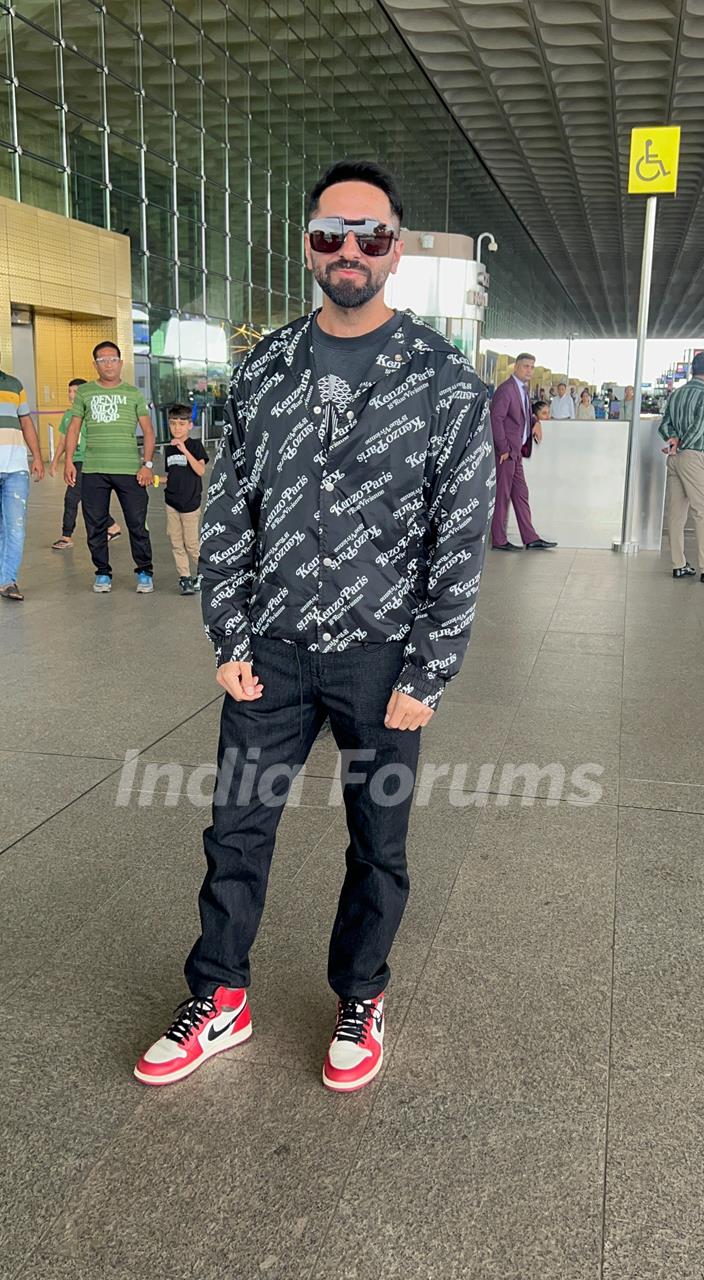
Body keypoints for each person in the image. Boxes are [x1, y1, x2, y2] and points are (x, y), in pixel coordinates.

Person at [134, 158, 495, 1094]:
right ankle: (220, 996)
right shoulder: (264, 367)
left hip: (384, 662)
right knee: (237, 831)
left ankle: (361, 994)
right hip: (274, 657)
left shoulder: (444, 380)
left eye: (370, 236)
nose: (350, 251)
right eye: (332, 234)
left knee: (379, 840)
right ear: (309, 246)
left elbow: (460, 534)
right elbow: (229, 511)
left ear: (395, 251)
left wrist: (429, 673)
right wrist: (228, 634)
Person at [63, 342, 156, 593]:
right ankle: (102, 572)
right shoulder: (85, 393)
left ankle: (145, 570)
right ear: (95, 365)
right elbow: (73, 428)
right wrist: (69, 460)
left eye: (113, 359)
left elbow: (148, 431)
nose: (108, 364)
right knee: (95, 524)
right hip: (94, 470)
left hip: (129, 469)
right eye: (102, 360)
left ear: (121, 363)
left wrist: (147, 464)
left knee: (137, 522)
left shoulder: (134, 393)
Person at [658, 349, 704, 583]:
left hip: (674, 458)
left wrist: (673, 440)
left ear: (692, 368)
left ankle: (679, 564)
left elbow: (664, 424)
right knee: (703, 512)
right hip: (694, 457)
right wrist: (682, 443)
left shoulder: (678, 393)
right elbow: (700, 424)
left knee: (676, 515)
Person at [490, 352, 556, 552]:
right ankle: (499, 540)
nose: (529, 370)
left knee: (521, 494)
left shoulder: (523, 389)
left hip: (516, 453)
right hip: (507, 453)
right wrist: (503, 448)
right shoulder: (506, 390)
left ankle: (530, 537)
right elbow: (496, 419)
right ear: (516, 367)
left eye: (532, 367)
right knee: (502, 496)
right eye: (526, 366)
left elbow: (526, 414)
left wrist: (536, 422)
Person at [49, 378, 122, 550]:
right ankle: (112, 526)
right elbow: (63, 441)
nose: (71, 395)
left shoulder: (93, 413)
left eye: (75, 391)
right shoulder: (68, 416)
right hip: (75, 461)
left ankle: (66, 536)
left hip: (89, 460)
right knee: (89, 501)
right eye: (69, 391)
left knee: (72, 498)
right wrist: (54, 462)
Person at [0, 359, 44, 601]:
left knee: (15, 528)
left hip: (16, 468)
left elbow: (26, 422)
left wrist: (36, 456)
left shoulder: (14, 385)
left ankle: (8, 580)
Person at [159, 402, 209, 595]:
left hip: (190, 504)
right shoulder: (169, 450)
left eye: (181, 424)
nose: (176, 428)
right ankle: (185, 578)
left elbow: (200, 470)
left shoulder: (195, 446)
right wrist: (154, 480)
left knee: (192, 544)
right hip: (171, 503)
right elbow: (172, 475)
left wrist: (185, 450)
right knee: (176, 543)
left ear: (189, 425)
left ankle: (205, 575)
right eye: (172, 424)